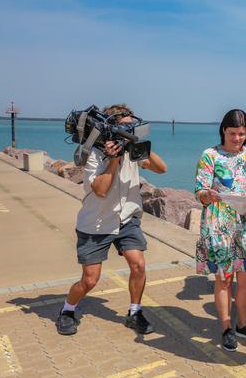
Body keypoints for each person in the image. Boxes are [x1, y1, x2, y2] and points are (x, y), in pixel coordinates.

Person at [56, 104, 167, 336]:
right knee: (90, 280)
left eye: (132, 126)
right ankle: (67, 310)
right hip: (96, 222)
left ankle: (134, 313)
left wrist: (141, 146)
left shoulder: (133, 151)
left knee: (138, 265)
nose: (130, 130)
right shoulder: (94, 154)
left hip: (127, 218)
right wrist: (113, 159)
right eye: (125, 127)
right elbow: (101, 190)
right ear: (112, 128)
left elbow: (161, 169)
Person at [195, 109, 246, 352]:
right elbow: (200, 191)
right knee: (224, 279)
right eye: (233, 133)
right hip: (220, 225)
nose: (238, 139)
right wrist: (208, 194)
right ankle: (227, 327)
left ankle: (244, 324)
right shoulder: (210, 155)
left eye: (242, 134)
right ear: (223, 132)